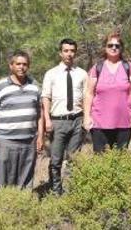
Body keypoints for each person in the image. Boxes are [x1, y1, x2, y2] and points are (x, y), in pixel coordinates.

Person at [0, 50, 44, 189]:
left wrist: (40, 136)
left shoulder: (35, 86)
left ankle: (24, 205)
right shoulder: (0, 86)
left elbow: (40, 113)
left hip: (29, 140)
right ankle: (5, 207)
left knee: (26, 177)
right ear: (11, 65)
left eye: (25, 64)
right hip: (7, 141)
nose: (21, 67)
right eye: (18, 64)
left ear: (28, 66)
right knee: (5, 178)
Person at [42, 38, 87, 195]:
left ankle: (70, 191)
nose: (69, 54)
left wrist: (86, 118)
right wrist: (47, 119)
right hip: (58, 121)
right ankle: (55, 190)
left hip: (77, 120)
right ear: (60, 53)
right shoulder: (51, 74)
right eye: (66, 51)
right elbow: (46, 97)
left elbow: (87, 97)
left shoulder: (82, 74)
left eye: (72, 51)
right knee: (56, 160)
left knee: (74, 158)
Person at [84, 32, 131, 152]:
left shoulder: (129, 67)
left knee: (121, 160)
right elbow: (89, 94)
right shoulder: (97, 68)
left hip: (124, 122)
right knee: (100, 160)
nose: (114, 48)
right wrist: (86, 117)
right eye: (110, 45)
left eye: (117, 45)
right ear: (105, 48)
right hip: (99, 123)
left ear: (121, 48)